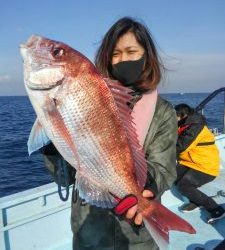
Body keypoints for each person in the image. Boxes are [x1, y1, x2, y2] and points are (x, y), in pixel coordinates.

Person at [40, 17, 178, 250]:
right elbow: (64, 178)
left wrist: (148, 187)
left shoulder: (163, 112)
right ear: (106, 57)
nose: (123, 59)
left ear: (147, 57)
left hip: (138, 238)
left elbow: (164, 167)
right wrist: (52, 144)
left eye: (131, 51)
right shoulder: (82, 101)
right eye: (115, 54)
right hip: (89, 232)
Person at [174, 103, 225, 224]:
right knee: (172, 174)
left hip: (206, 167)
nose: (173, 119)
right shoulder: (184, 125)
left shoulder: (196, 127)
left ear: (183, 116)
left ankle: (216, 209)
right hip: (191, 162)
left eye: (175, 116)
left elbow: (180, 146)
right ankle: (196, 201)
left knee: (184, 186)